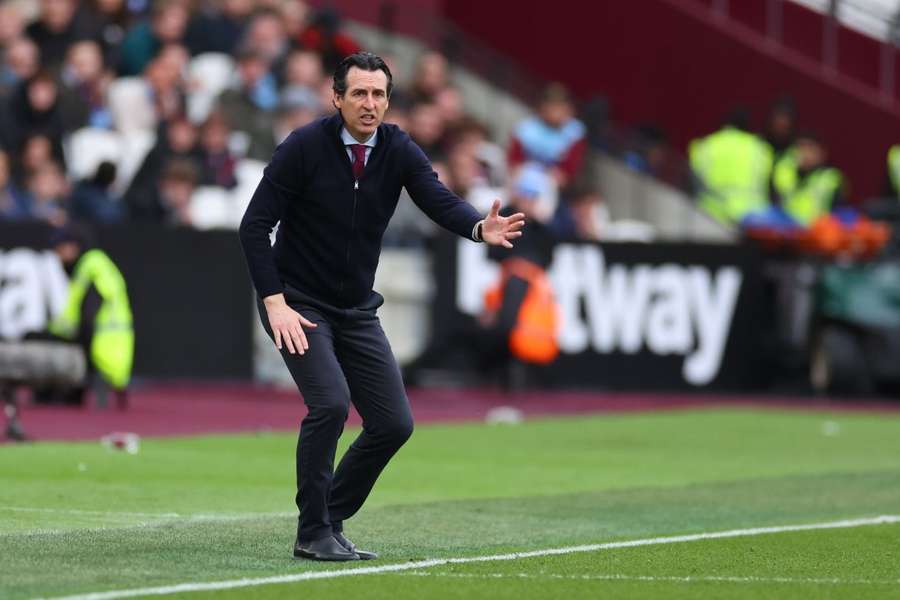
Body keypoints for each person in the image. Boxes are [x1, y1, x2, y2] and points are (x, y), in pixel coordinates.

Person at [238, 52, 525, 562]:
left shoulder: (398, 148)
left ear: (388, 100)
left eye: (378, 95)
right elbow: (254, 226)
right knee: (329, 405)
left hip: (355, 310)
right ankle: (312, 533)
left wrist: (479, 227)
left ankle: (328, 517)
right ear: (337, 98)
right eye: (359, 94)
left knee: (394, 423)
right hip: (298, 302)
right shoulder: (304, 146)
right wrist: (275, 302)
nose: (370, 104)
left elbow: (436, 198)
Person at [47, 226, 134, 408]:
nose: (58, 256)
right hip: (113, 338)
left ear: (72, 246)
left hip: (101, 338)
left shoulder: (90, 267)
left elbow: (91, 308)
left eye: (60, 249)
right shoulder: (95, 264)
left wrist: (83, 336)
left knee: (96, 407)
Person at [689, 108, 774, 225]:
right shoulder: (760, 149)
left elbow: (693, 182)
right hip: (750, 218)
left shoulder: (705, 146)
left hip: (709, 217)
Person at [772, 131, 845, 226]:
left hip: (816, 233)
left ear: (821, 153)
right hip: (786, 230)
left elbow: (837, 213)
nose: (805, 153)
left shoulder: (830, 178)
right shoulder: (784, 173)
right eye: (800, 148)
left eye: (810, 148)